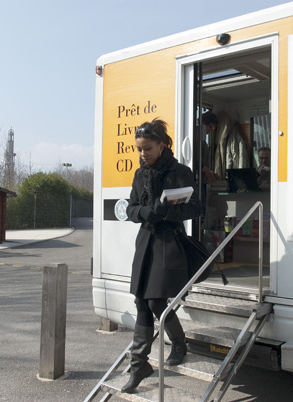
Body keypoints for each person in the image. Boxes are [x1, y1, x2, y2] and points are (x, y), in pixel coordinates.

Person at [123, 118, 201, 394]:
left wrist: (164, 211)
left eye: (147, 148)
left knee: (156, 300)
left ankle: (179, 344)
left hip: (169, 241)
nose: (142, 154)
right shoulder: (139, 174)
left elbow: (195, 208)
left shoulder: (180, 171)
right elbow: (131, 209)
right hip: (145, 241)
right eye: (139, 149)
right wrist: (145, 212)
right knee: (141, 301)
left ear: (162, 144)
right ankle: (138, 365)